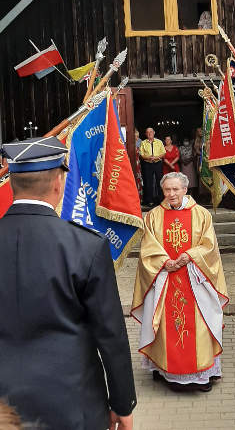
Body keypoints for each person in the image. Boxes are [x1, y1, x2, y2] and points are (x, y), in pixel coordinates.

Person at [0, 137, 136, 430]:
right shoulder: (86, 246)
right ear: (58, 185)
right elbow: (111, 335)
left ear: (12, 186)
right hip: (72, 405)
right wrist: (123, 403)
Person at [131, 172, 228, 392]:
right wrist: (164, 261)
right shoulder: (154, 216)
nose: (171, 194)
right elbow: (148, 247)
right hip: (165, 277)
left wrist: (190, 255)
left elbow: (209, 246)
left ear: (185, 189)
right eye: (167, 190)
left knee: (200, 325)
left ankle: (201, 374)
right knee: (165, 325)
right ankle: (166, 370)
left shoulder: (201, 214)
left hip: (194, 278)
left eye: (176, 189)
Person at [140, 127, 166, 206]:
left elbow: (163, 153)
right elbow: (141, 154)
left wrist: (156, 157)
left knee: (160, 181)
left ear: (154, 132)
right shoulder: (143, 143)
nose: (149, 133)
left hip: (157, 163)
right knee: (148, 182)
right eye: (147, 132)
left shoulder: (159, 142)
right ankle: (149, 200)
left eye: (151, 132)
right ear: (146, 134)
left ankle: (161, 200)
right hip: (147, 164)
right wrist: (148, 158)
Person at [134, 128, 143, 198]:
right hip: (132, 162)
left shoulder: (140, 141)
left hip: (138, 162)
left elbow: (142, 153)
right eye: (135, 136)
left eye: (137, 136)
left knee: (138, 178)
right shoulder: (129, 142)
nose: (137, 138)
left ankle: (140, 197)